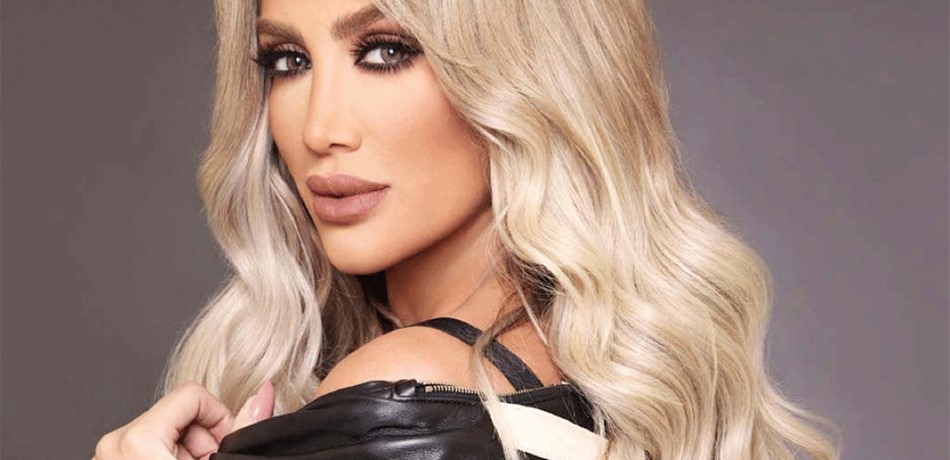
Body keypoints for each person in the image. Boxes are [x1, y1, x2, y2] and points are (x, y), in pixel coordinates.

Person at [94, 0, 842, 459]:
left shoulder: (398, 398)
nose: (320, 128)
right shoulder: (600, 381)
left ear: (527, 77)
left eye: (386, 51)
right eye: (287, 60)